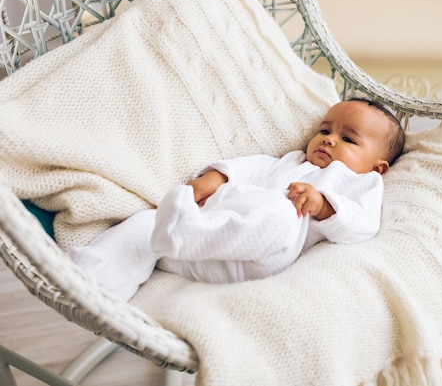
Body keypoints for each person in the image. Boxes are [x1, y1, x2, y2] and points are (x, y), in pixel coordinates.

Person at [68, 98, 405, 301]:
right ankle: (91, 279)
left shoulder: (361, 182)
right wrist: (212, 179)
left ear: (378, 166)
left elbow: (362, 225)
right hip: (194, 254)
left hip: (256, 257)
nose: (328, 140)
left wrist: (323, 205)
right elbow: (251, 168)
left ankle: (186, 232)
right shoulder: (290, 162)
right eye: (325, 129)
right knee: (147, 223)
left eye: (347, 138)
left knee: (284, 211)